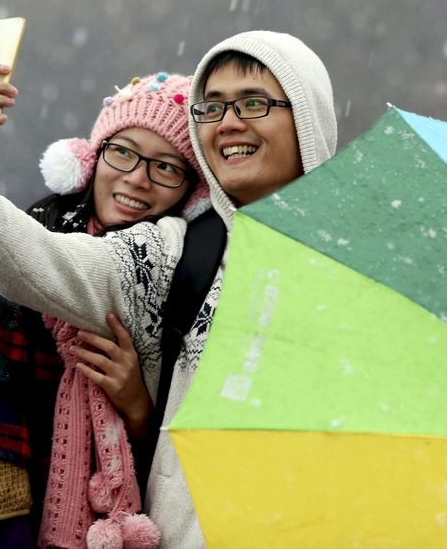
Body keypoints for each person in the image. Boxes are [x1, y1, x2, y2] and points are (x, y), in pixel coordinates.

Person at [0, 70, 209, 549]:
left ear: (190, 190)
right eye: (122, 152)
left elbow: (179, 462)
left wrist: (138, 407)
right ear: (89, 157)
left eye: (166, 167)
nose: (137, 179)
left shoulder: (184, 281)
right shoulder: (13, 259)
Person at [135, 30, 338, 546]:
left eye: (253, 103)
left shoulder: (364, 273)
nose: (228, 124)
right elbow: (45, 265)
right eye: (214, 107)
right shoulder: (186, 252)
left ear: (307, 119)